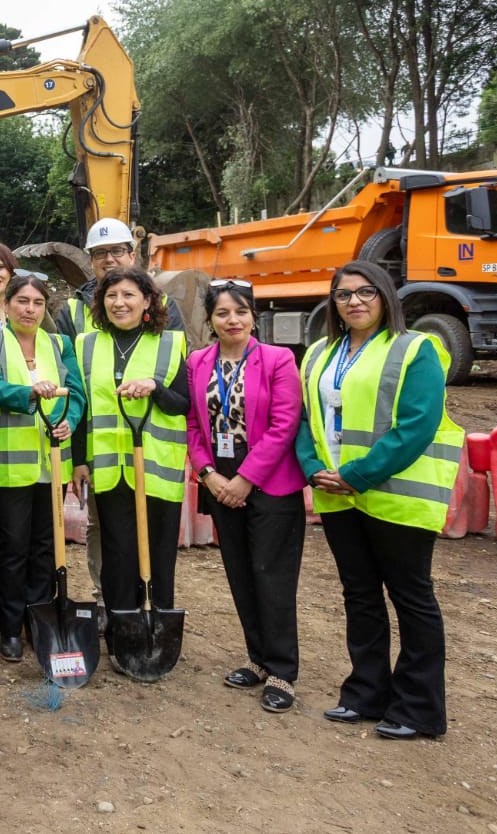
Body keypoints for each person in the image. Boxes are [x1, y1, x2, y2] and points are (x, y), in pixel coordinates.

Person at [296, 260, 463, 740]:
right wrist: (313, 468)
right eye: (344, 294)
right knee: (360, 596)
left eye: (366, 292)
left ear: (386, 296)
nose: (355, 302)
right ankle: (365, 694)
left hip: (396, 498)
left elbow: (417, 426)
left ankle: (418, 708)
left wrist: (357, 474)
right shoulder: (319, 353)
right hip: (338, 496)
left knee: (412, 599)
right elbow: (307, 420)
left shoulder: (416, 349)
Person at [54, 217, 185, 616]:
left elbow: (183, 400)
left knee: (158, 547)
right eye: (100, 254)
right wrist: (79, 458)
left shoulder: (170, 335)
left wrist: (156, 389)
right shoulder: (83, 336)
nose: (119, 302)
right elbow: (80, 403)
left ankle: (157, 614)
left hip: (157, 462)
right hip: (107, 464)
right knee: (113, 543)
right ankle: (118, 614)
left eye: (129, 294)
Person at [186, 279, 306, 712]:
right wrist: (208, 474)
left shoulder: (277, 359)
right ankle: (257, 659)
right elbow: (194, 426)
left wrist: (245, 480)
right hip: (220, 478)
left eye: (240, 312)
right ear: (211, 320)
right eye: (222, 313)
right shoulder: (198, 362)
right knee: (240, 571)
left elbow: (284, 424)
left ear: (254, 316)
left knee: (271, 575)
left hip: (269, 481)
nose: (232, 320)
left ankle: (282, 670)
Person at [0, 273, 85, 662]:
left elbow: (77, 392)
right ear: (6, 306)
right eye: (21, 301)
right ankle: (9, 628)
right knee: (13, 548)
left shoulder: (60, 344)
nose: (29, 309)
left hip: (52, 462)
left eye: (37, 303)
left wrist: (70, 419)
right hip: (9, 465)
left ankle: (38, 621)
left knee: (46, 547)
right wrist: (28, 393)